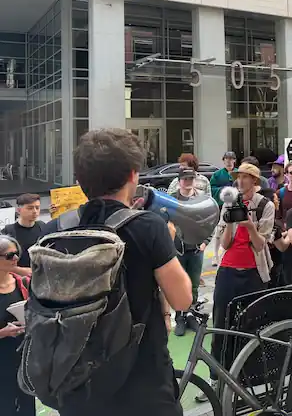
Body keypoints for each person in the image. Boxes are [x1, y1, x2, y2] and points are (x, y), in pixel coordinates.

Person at [40, 128, 193, 415]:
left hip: (74, 385)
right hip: (142, 389)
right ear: (133, 175)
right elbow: (183, 299)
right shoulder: (148, 226)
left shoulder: (55, 229)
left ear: (80, 181)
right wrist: (168, 243)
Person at [206, 162, 273, 401]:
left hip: (254, 271)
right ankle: (216, 378)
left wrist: (249, 225)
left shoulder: (266, 205)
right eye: (239, 177)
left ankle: (247, 379)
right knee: (221, 321)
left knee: (250, 326)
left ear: (255, 181)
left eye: (246, 177)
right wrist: (232, 221)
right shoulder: (229, 202)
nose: (241, 181)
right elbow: (224, 244)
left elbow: (260, 244)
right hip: (228, 270)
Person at [170, 168, 213, 337]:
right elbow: (163, 220)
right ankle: (180, 316)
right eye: (185, 179)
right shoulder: (172, 199)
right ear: (179, 181)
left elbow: (211, 220)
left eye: (191, 178)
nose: (188, 182)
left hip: (196, 248)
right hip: (177, 249)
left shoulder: (202, 199)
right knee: (178, 284)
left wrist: (205, 242)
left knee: (194, 284)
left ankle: (191, 314)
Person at [0, 234, 35, 416]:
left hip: (23, 356)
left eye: (16, 254)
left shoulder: (23, 283)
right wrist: (3, 333)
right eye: (9, 255)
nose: (15, 259)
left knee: (27, 405)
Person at [273, 161, 292, 286]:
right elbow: (276, 216)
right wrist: (284, 227)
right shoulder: (280, 193)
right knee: (289, 271)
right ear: (286, 175)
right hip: (288, 237)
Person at [1, 193, 43, 277]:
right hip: (17, 277)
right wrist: (18, 270)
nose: (35, 211)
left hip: (39, 276)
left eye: (37, 208)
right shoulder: (8, 231)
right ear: (19, 210)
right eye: (30, 208)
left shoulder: (43, 227)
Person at [209, 150, 237, 266]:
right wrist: (223, 191)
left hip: (236, 205)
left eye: (231, 159)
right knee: (219, 230)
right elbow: (212, 188)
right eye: (227, 159)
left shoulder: (238, 173)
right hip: (222, 205)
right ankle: (215, 255)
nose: (229, 162)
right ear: (223, 161)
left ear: (234, 161)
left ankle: (228, 253)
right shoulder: (217, 174)